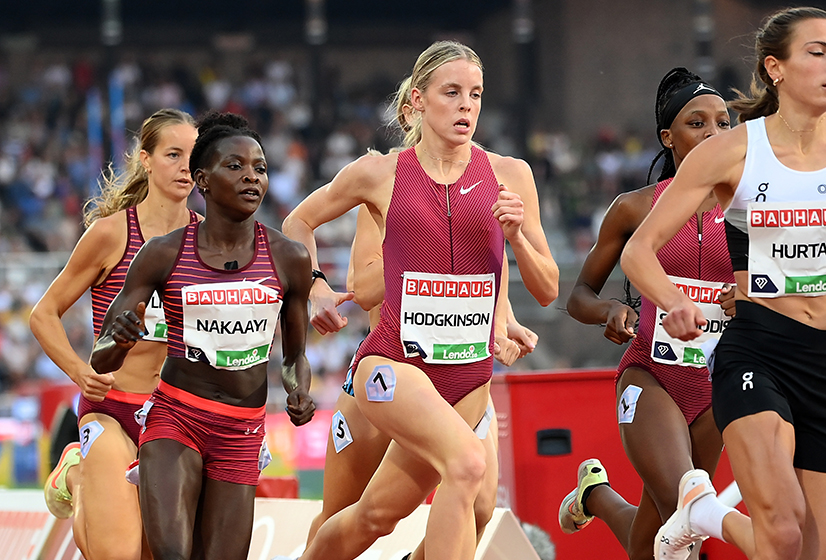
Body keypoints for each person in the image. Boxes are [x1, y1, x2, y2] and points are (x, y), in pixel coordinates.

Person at [621, 7, 826, 560]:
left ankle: (703, 512)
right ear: (776, 68)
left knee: (818, 552)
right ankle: (706, 512)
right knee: (783, 531)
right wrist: (673, 301)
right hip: (759, 349)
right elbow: (638, 251)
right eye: (818, 52)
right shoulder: (733, 151)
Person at [282, 40, 558, 560]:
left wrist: (516, 241)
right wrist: (315, 285)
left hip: (467, 378)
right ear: (416, 102)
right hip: (394, 367)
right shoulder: (381, 174)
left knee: (381, 516)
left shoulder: (510, 175)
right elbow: (300, 222)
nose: (466, 106)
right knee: (461, 468)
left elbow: (547, 289)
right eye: (452, 93)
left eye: (476, 94)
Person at [90, 112, 316, 560]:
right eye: (235, 166)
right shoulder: (162, 254)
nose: (251, 176)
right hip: (176, 418)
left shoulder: (289, 258)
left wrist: (299, 390)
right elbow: (101, 359)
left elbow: (294, 357)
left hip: (241, 430)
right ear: (203, 181)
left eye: (260, 168)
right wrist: (120, 338)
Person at [557, 67, 753, 560]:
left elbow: (777, 288)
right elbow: (579, 294)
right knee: (686, 514)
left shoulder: (750, 208)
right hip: (652, 375)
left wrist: (749, 296)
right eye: (697, 123)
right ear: (668, 137)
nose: (714, 133)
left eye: (723, 123)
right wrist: (609, 310)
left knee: (655, 541)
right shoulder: (635, 208)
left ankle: (596, 497)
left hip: (717, 382)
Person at [304, 203, 538, 560]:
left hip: (463, 378)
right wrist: (423, 242)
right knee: (348, 514)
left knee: (479, 508)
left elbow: (499, 279)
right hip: (391, 374)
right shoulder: (386, 186)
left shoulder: (488, 188)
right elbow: (361, 288)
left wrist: (506, 324)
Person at [30, 108, 198, 560]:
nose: (186, 167)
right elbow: (44, 314)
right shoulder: (111, 234)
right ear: (146, 159)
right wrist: (79, 372)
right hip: (113, 409)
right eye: (173, 154)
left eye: (194, 156)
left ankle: (78, 478)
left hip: (178, 417)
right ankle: (79, 471)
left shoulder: (211, 241)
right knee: (118, 554)